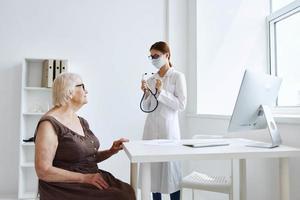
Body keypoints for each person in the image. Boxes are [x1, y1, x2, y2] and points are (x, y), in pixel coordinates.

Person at [34, 72, 136, 200]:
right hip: (65, 185)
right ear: (69, 91)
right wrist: (84, 178)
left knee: (127, 191)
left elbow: (86, 158)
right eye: (82, 86)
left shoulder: (80, 120)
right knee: (119, 196)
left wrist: (111, 151)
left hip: (89, 176)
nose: (86, 91)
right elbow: (43, 170)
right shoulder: (49, 124)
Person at [140, 41, 187, 200]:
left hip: (169, 130)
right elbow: (148, 107)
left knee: (171, 171)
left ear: (167, 55)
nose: (153, 59)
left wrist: (161, 92)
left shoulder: (177, 76)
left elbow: (181, 104)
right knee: (153, 173)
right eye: (151, 56)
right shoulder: (152, 79)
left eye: (156, 56)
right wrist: (146, 93)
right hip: (151, 128)